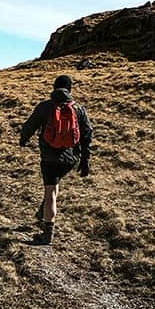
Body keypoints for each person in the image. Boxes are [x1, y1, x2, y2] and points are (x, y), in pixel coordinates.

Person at [19, 73, 92, 244]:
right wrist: (85, 159)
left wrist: (24, 138)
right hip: (70, 158)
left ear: (54, 87)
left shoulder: (45, 107)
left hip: (49, 157)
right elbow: (88, 134)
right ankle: (43, 212)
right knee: (55, 185)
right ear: (70, 89)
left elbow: (30, 125)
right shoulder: (78, 109)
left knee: (50, 191)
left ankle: (47, 233)